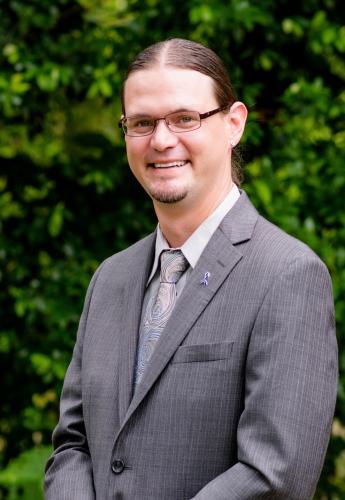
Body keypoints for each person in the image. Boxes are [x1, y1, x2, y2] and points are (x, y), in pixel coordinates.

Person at [45, 38, 338, 500]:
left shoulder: (288, 275)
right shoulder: (110, 279)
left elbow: (274, 475)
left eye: (185, 118)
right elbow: (72, 444)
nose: (161, 140)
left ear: (233, 124)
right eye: (142, 123)